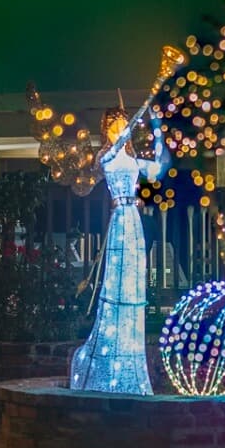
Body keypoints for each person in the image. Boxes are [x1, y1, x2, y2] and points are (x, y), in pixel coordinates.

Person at [67, 105, 170, 394]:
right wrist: (132, 124)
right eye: (116, 125)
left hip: (134, 220)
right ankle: (106, 356)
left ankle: (129, 355)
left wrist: (158, 129)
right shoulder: (106, 156)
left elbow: (160, 167)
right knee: (117, 282)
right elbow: (107, 160)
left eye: (123, 124)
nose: (120, 129)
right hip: (120, 218)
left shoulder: (133, 159)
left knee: (134, 284)